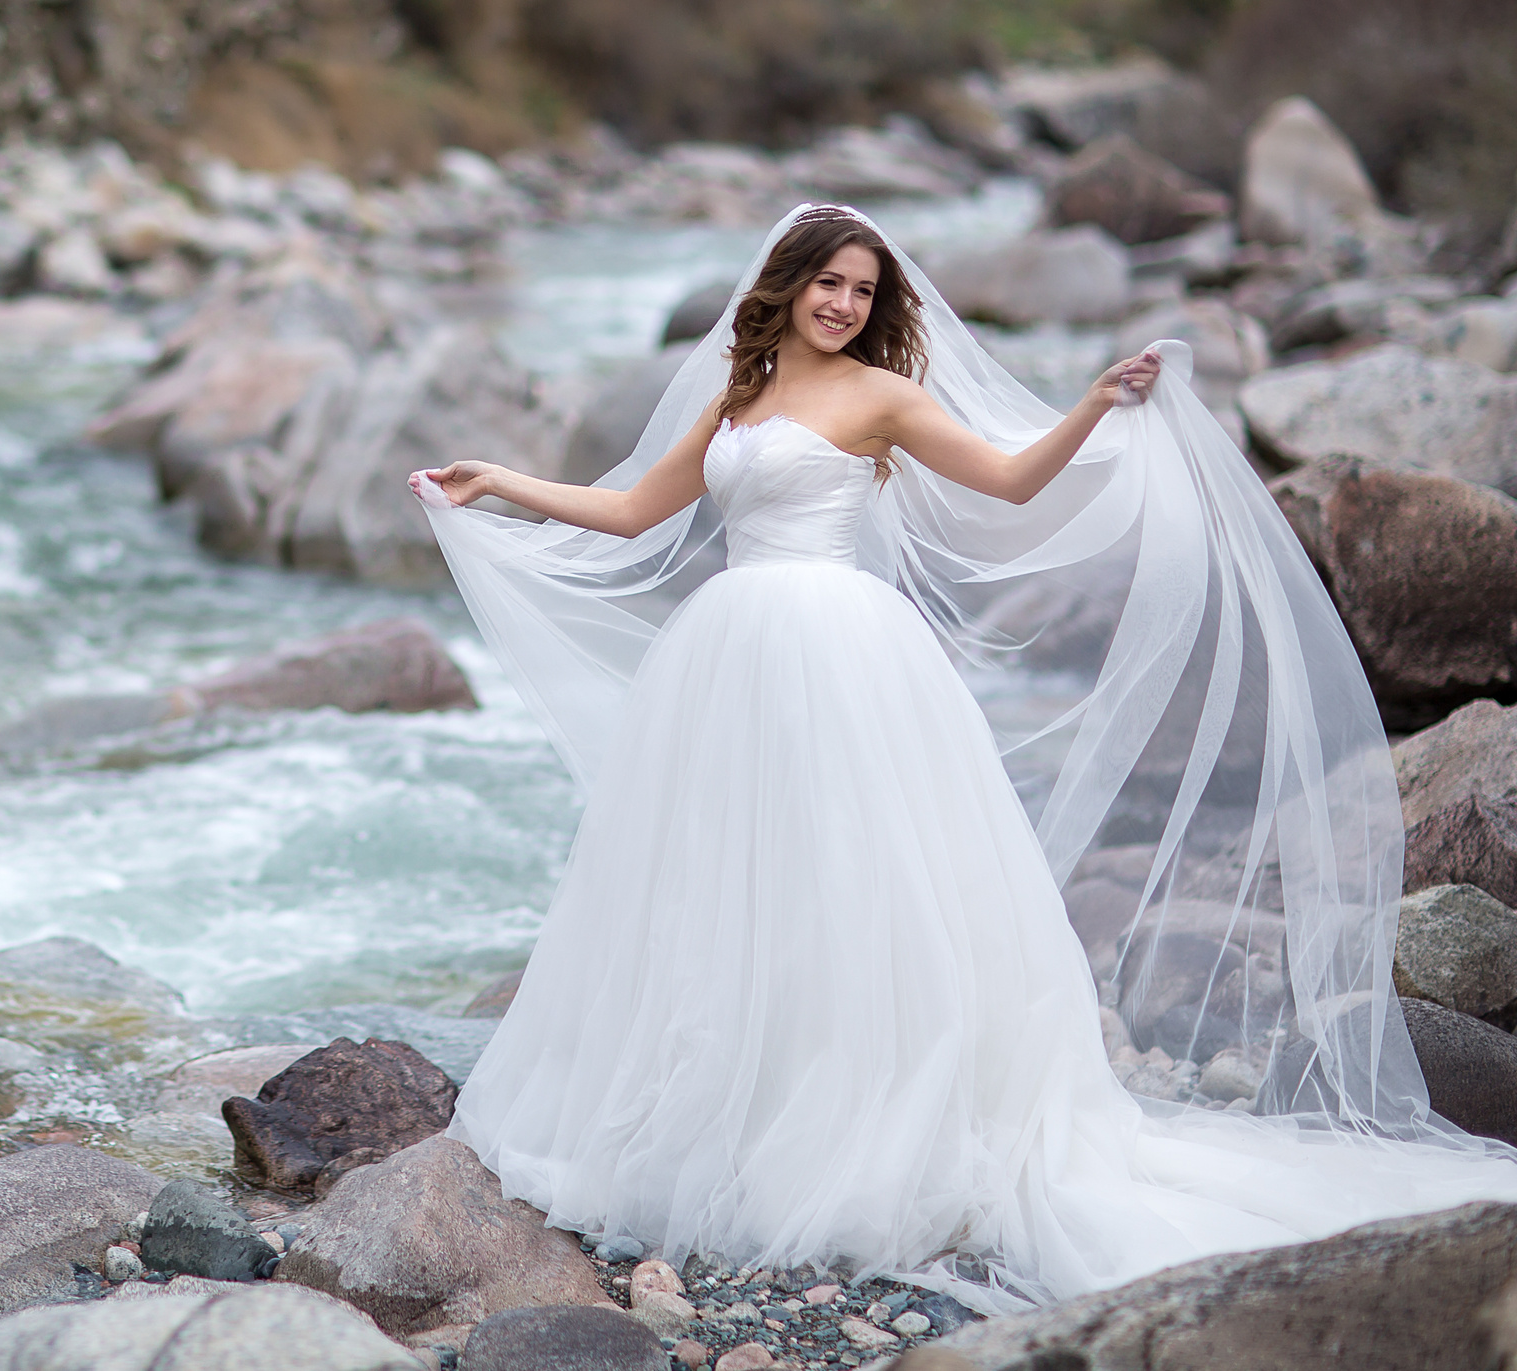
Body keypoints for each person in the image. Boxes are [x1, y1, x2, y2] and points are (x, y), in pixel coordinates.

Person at [409, 203, 1517, 1311]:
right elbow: (631, 509)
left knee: (858, 882)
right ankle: (729, 1107)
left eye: (861, 289)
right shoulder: (736, 397)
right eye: (828, 283)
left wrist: (1091, 406)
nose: (843, 304)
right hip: (727, 663)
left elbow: (1008, 483)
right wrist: (497, 485)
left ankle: (857, 1126)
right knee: (732, 889)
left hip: (842, 658)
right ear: (786, 285)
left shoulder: (882, 396)